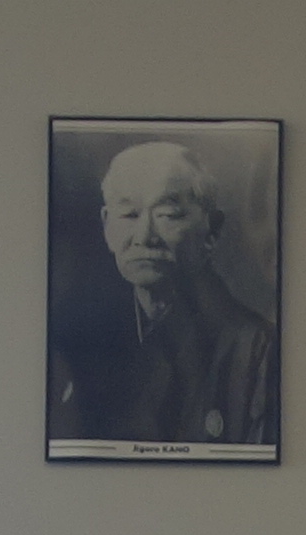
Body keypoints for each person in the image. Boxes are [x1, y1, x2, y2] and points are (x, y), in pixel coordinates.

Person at [61, 135, 278, 451]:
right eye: (129, 215)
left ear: (212, 230)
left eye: (167, 215)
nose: (144, 237)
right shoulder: (81, 344)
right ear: (107, 226)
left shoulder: (257, 351)